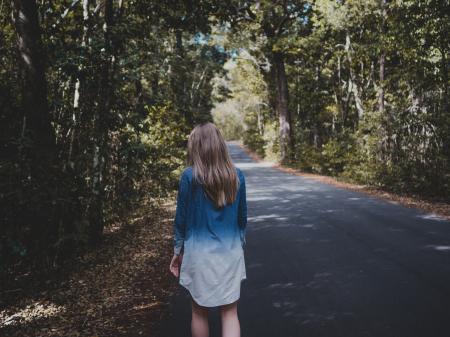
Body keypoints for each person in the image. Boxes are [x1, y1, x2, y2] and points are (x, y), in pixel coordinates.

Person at [169, 122, 248, 337]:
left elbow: (181, 220)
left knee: (199, 313)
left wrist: (177, 252)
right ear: (220, 145)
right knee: (230, 313)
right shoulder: (236, 176)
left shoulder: (189, 177)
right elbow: (242, 219)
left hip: (198, 255)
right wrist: (239, 246)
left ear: (195, 146)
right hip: (230, 253)